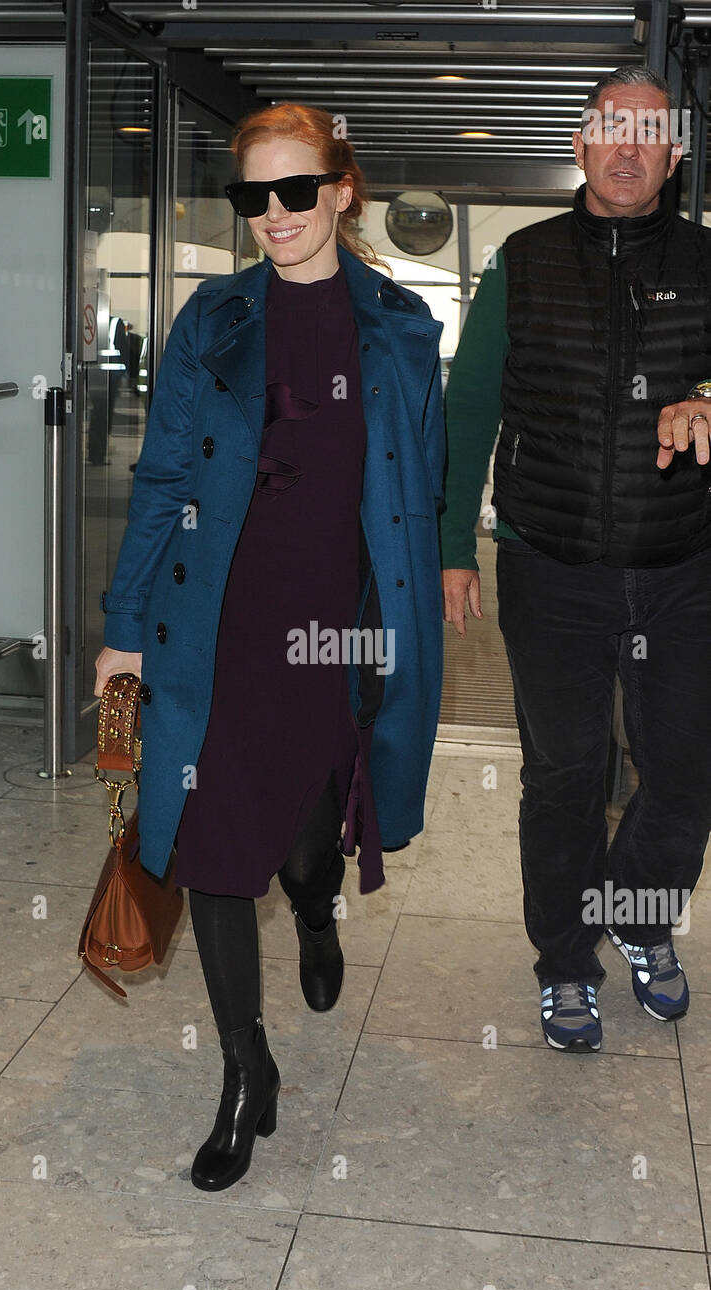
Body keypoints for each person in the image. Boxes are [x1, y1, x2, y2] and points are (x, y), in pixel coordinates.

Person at [95, 102, 446, 1188]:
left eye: (298, 191)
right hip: (217, 624)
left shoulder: (397, 327)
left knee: (301, 831)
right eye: (255, 196)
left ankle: (314, 900)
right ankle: (246, 1071)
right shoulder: (213, 318)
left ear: (342, 191)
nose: (276, 214)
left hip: (334, 630)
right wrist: (122, 631)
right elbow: (160, 480)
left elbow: (417, 493)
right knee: (210, 843)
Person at [441, 64, 711, 1053]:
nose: (628, 146)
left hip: (681, 564)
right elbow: (467, 407)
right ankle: (563, 962)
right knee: (564, 774)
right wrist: (447, 548)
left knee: (683, 769)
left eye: (650, 132)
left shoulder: (703, 258)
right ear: (579, 142)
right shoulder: (520, 259)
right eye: (611, 126)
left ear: (675, 154)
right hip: (548, 565)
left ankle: (636, 917)